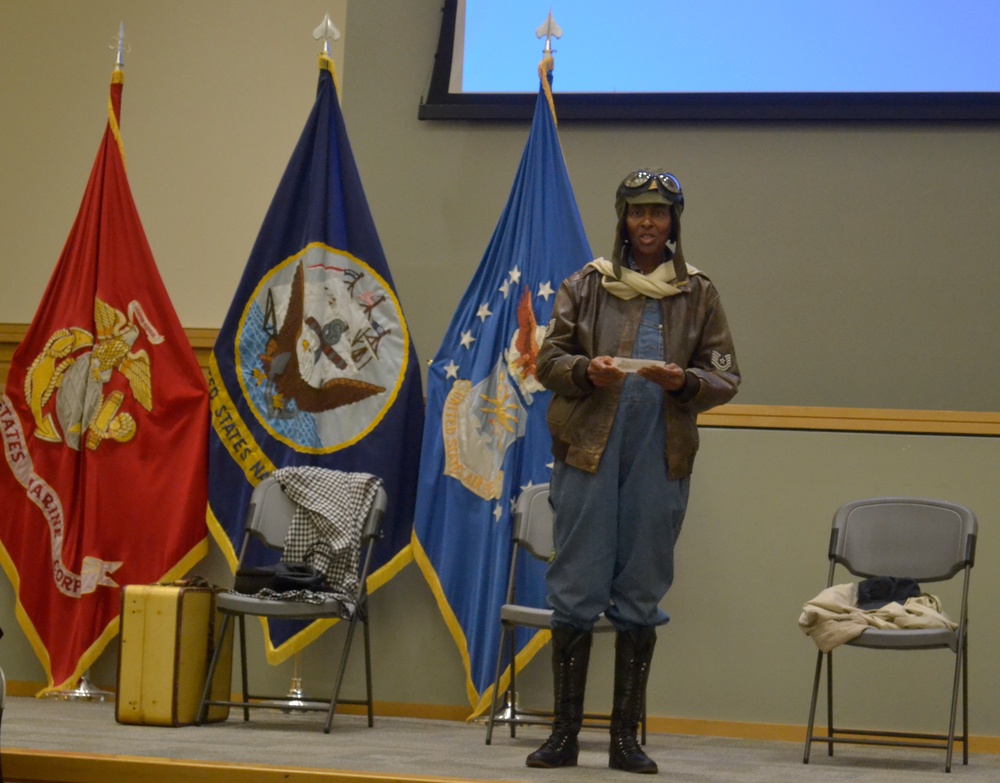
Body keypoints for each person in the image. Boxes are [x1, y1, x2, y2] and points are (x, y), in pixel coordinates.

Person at [530, 169, 740, 774]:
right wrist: (584, 371)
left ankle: (625, 741)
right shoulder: (585, 285)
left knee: (641, 591)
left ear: (674, 223)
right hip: (588, 454)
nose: (648, 222)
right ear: (622, 219)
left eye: (659, 212)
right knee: (576, 587)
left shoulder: (698, 293)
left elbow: (726, 375)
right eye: (637, 211)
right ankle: (564, 737)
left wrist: (685, 381)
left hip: (660, 456)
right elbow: (547, 360)